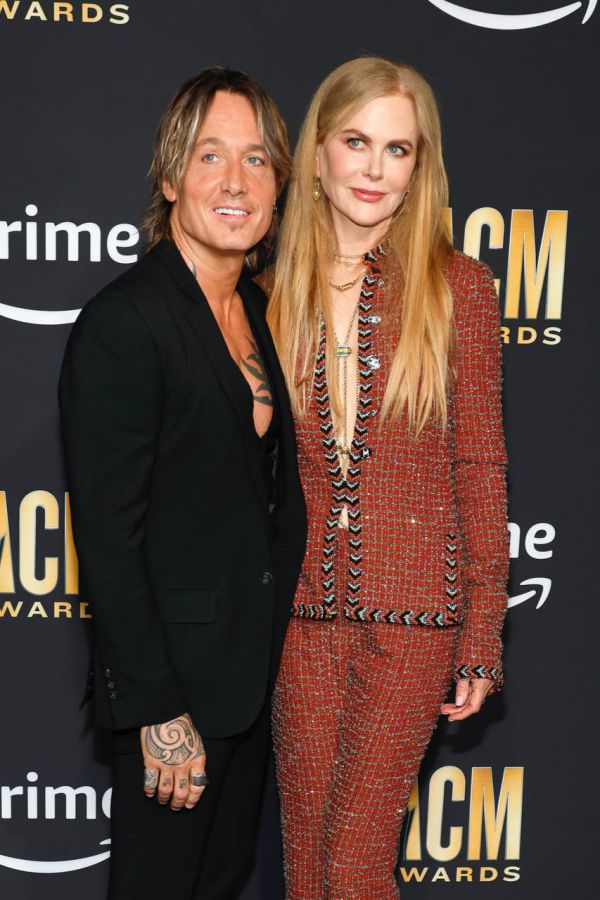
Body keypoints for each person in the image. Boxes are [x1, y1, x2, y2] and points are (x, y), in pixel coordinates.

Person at [58, 68, 306, 900]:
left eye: (256, 159)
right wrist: (158, 711)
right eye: (210, 156)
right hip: (175, 700)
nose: (236, 182)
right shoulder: (126, 322)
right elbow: (108, 538)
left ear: (279, 184)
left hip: (248, 687)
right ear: (170, 178)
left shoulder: (256, 315)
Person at [264, 57, 509, 898]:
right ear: (317, 153)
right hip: (296, 623)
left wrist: (482, 629)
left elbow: (479, 464)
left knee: (354, 864)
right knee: (307, 868)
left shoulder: (458, 289)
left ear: (419, 167)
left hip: (413, 619)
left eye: (397, 149)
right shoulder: (266, 292)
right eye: (356, 141)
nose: (374, 168)